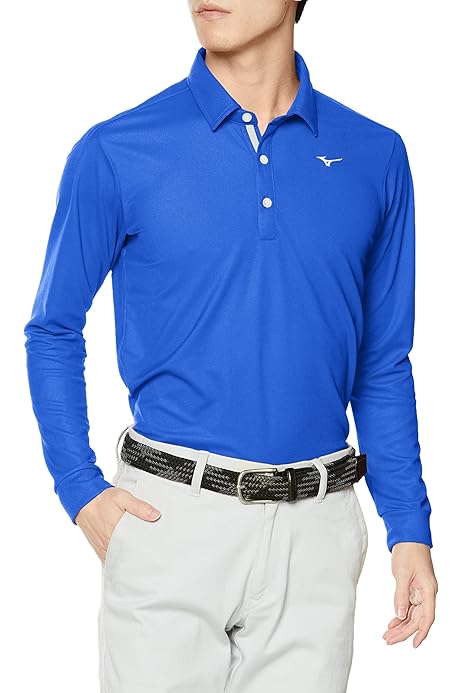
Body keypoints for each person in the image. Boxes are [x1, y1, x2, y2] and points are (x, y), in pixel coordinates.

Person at [23, 1, 438, 691]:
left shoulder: (375, 154)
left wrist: (409, 527)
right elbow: (53, 328)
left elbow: (383, 361)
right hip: (169, 523)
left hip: (318, 534)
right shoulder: (117, 149)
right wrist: (79, 488)